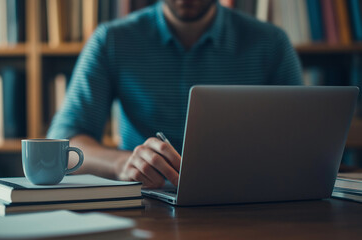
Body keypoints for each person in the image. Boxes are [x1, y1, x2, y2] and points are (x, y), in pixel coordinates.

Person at [47, 0, 303, 189]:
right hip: (147, 202)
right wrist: (122, 164)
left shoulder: (271, 43)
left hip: (250, 204)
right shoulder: (112, 40)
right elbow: (64, 143)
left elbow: (303, 141)